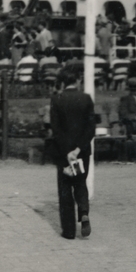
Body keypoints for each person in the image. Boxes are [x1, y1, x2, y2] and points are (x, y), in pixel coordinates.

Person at [49, 68, 95, 240]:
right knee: (80, 181)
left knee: (65, 187)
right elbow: (91, 129)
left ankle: (69, 231)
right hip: (82, 151)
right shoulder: (86, 99)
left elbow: (56, 129)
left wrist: (68, 152)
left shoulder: (57, 99)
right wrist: (78, 150)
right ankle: (83, 212)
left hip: (63, 152)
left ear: (62, 82)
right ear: (77, 81)